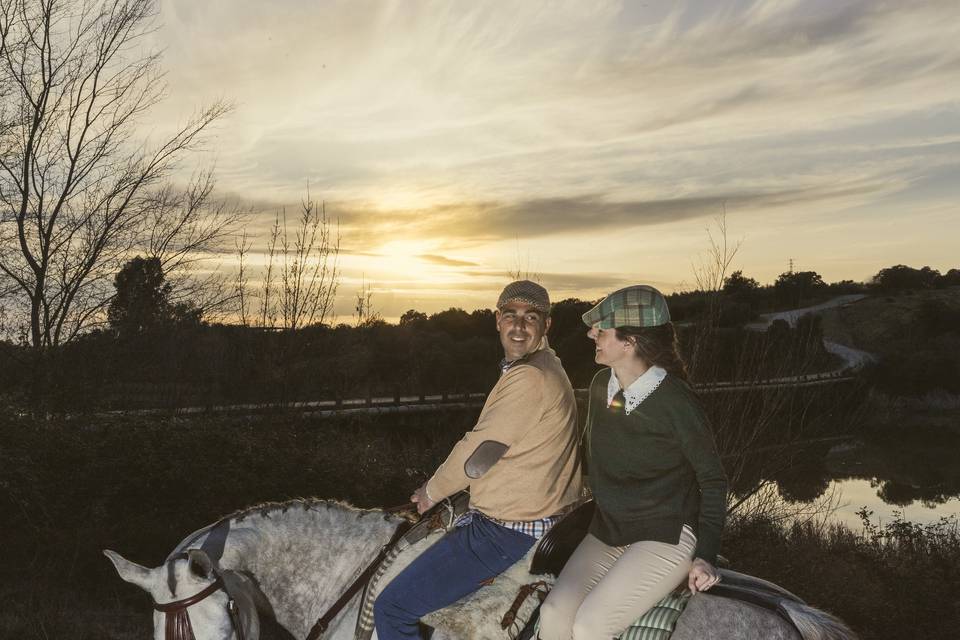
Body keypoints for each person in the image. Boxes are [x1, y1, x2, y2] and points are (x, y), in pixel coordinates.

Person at [374, 280, 583, 640]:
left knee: (391, 607)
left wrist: (431, 491)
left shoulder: (531, 377)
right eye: (511, 316)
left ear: (546, 325)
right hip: (537, 513)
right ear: (497, 320)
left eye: (531, 317)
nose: (519, 326)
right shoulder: (545, 365)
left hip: (507, 530)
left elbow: (478, 454)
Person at [538, 285, 727, 640]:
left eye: (602, 330)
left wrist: (707, 555)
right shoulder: (599, 387)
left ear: (630, 342)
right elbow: (585, 456)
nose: (591, 334)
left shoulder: (675, 401)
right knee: (552, 615)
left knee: (590, 626)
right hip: (609, 529)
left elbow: (714, 480)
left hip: (666, 535)